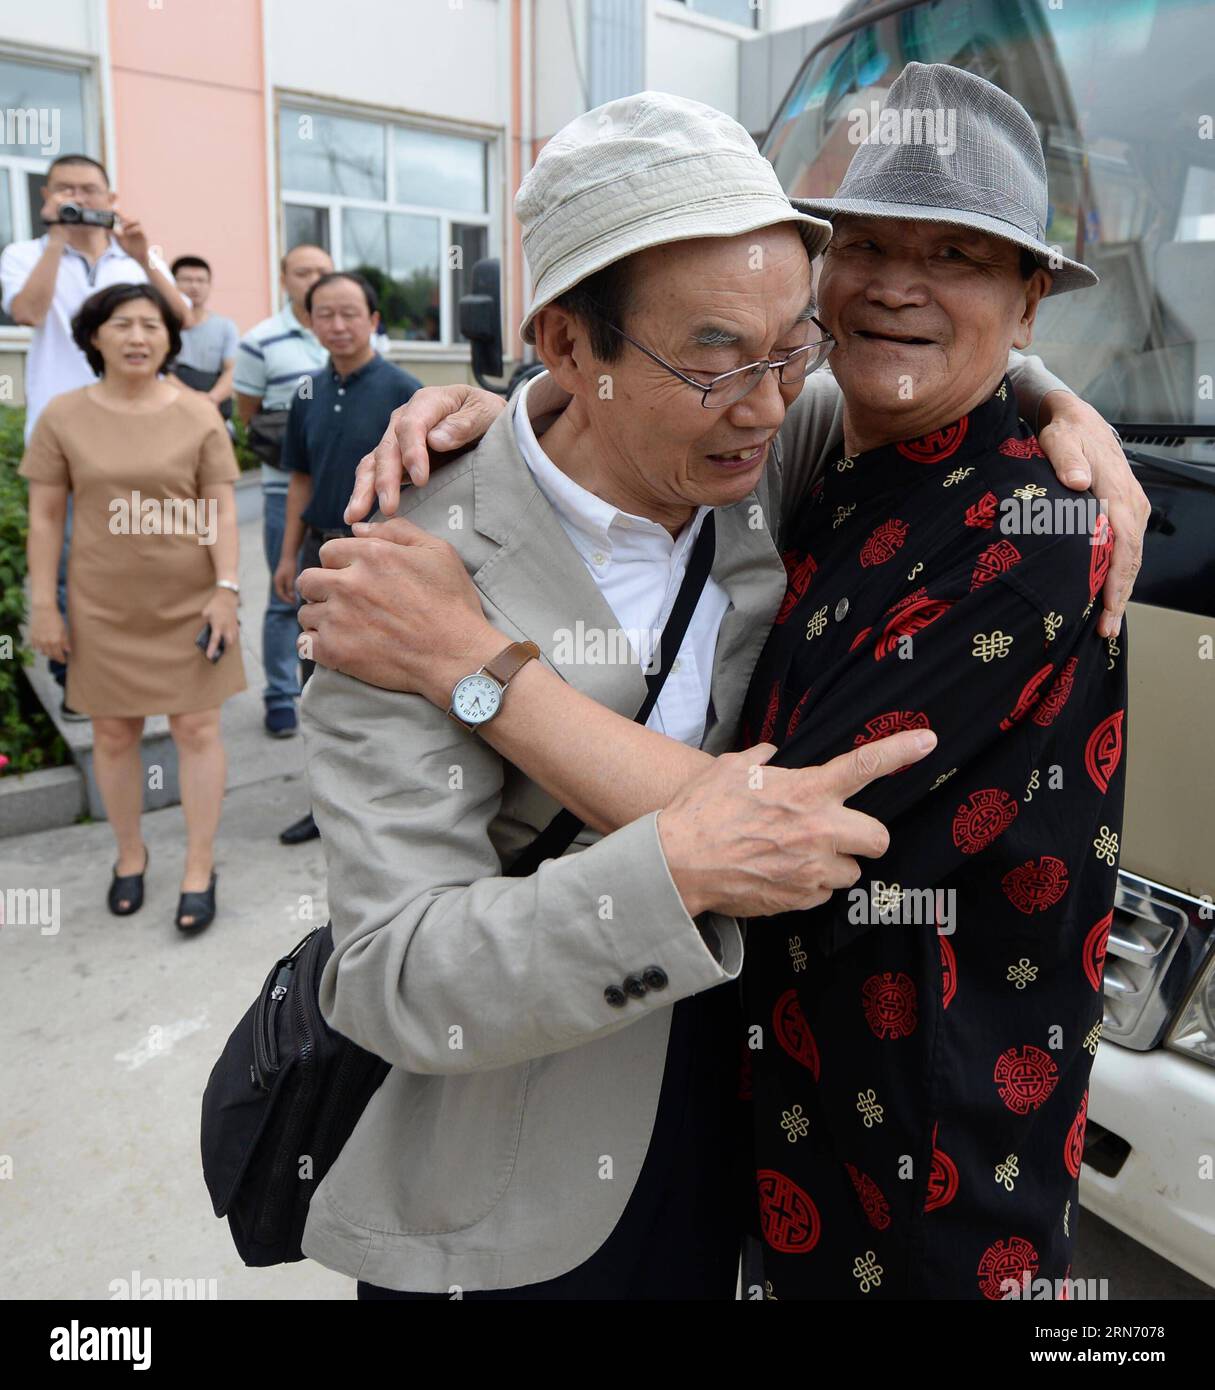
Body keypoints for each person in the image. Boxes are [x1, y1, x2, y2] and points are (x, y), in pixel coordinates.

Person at [300, 76, 1149, 1298]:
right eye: (714, 358)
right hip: (529, 1180)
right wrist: (680, 863)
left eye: (789, 344)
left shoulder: (767, 450)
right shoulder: (403, 582)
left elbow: (923, 363)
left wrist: (1063, 404)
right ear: (564, 343)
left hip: (761, 1132)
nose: (768, 401)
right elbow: (389, 970)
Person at [22, 283, 245, 933]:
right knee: (115, 735)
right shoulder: (62, 416)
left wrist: (226, 589)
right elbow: (44, 517)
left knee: (198, 731)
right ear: (94, 336)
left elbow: (222, 508)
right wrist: (45, 606)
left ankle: (199, 865)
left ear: (169, 342)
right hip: (101, 606)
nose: (139, 337)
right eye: (122, 324)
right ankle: (129, 855)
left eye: (152, 326)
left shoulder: (199, 413)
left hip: (192, 604)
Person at [0, 153, 195, 717]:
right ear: (45, 200)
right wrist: (58, 240)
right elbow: (29, 313)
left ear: (112, 199)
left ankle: (141, 666)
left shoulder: (138, 256)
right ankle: (75, 677)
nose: (79, 198)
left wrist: (143, 259)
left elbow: (183, 319)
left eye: (90, 190)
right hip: (61, 431)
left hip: (141, 433)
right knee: (66, 559)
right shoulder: (24, 254)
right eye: (65, 190)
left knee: (142, 551)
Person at [271, 271, 421, 844]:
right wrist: (287, 557)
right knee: (317, 679)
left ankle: (388, 802)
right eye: (324, 314)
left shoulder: (402, 390)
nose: (337, 325)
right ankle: (325, 805)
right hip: (317, 550)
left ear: (373, 320)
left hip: (374, 549)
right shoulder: (306, 393)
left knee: (378, 681)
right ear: (310, 322)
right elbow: (300, 480)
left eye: (349, 314)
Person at [232, 244, 331, 741]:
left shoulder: (350, 332)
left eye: (323, 271)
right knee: (283, 592)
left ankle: (326, 693)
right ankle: (278, 697)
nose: (313, 278)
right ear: (284, 277)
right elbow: (246, 415)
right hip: (281, 490)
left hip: (340, 491)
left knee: (334, 596)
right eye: (303, 271)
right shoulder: (261, 341)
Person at [169, 256, 238, 419]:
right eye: (186, 280)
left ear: (209, 285)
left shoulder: (225, 326)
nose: (194, 286)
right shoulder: (161, 325)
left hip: (214, 411)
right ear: (172, 283)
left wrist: (211, 399)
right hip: (172, 411)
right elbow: (159, 373)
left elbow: (233, 370)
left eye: (201, 280)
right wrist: (195, 401)